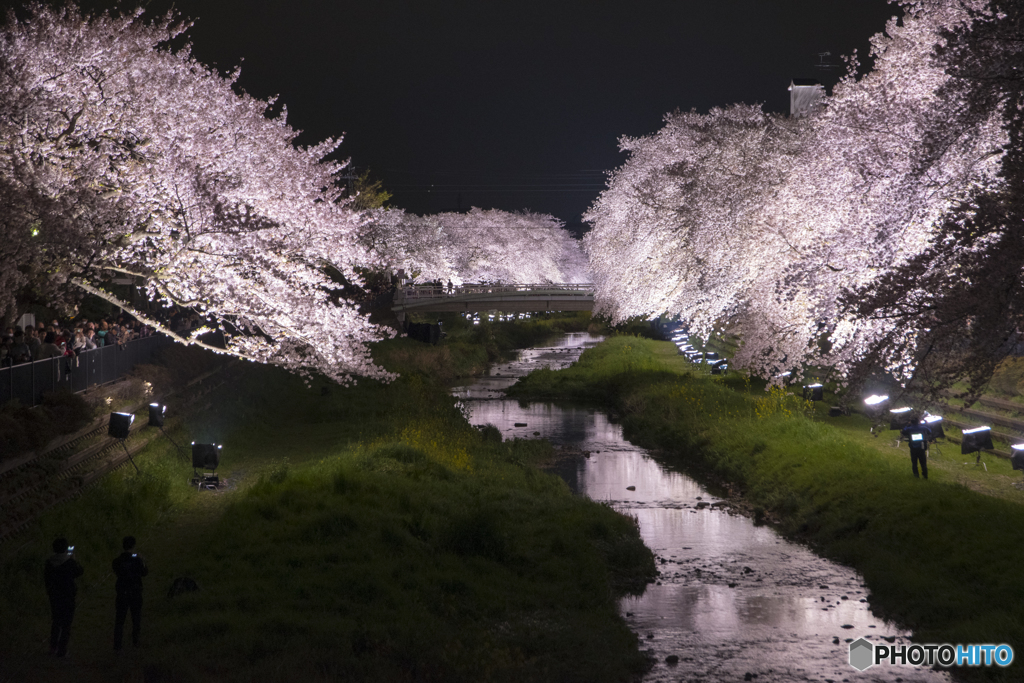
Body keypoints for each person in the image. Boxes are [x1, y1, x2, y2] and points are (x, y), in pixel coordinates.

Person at [44, 537, 84, 658]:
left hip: (54, 596)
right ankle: (62, 650)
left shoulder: (49, 562)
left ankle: (53, 648)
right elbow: (79, 571)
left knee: (56, 621)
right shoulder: (69, 562)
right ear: (66, 549)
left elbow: (47, 579)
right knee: (66, 624)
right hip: (67, 596)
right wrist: (74, 560)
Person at [112, 536, 148, 650]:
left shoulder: (117, 561)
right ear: (133, 546)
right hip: (135, 592)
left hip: (122, 592)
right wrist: (142, 560)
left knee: (119, 620)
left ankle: (117, 644)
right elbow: (144, 572)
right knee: (136, 618)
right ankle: (135, 641)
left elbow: (116, 570)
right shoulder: (137, 560)